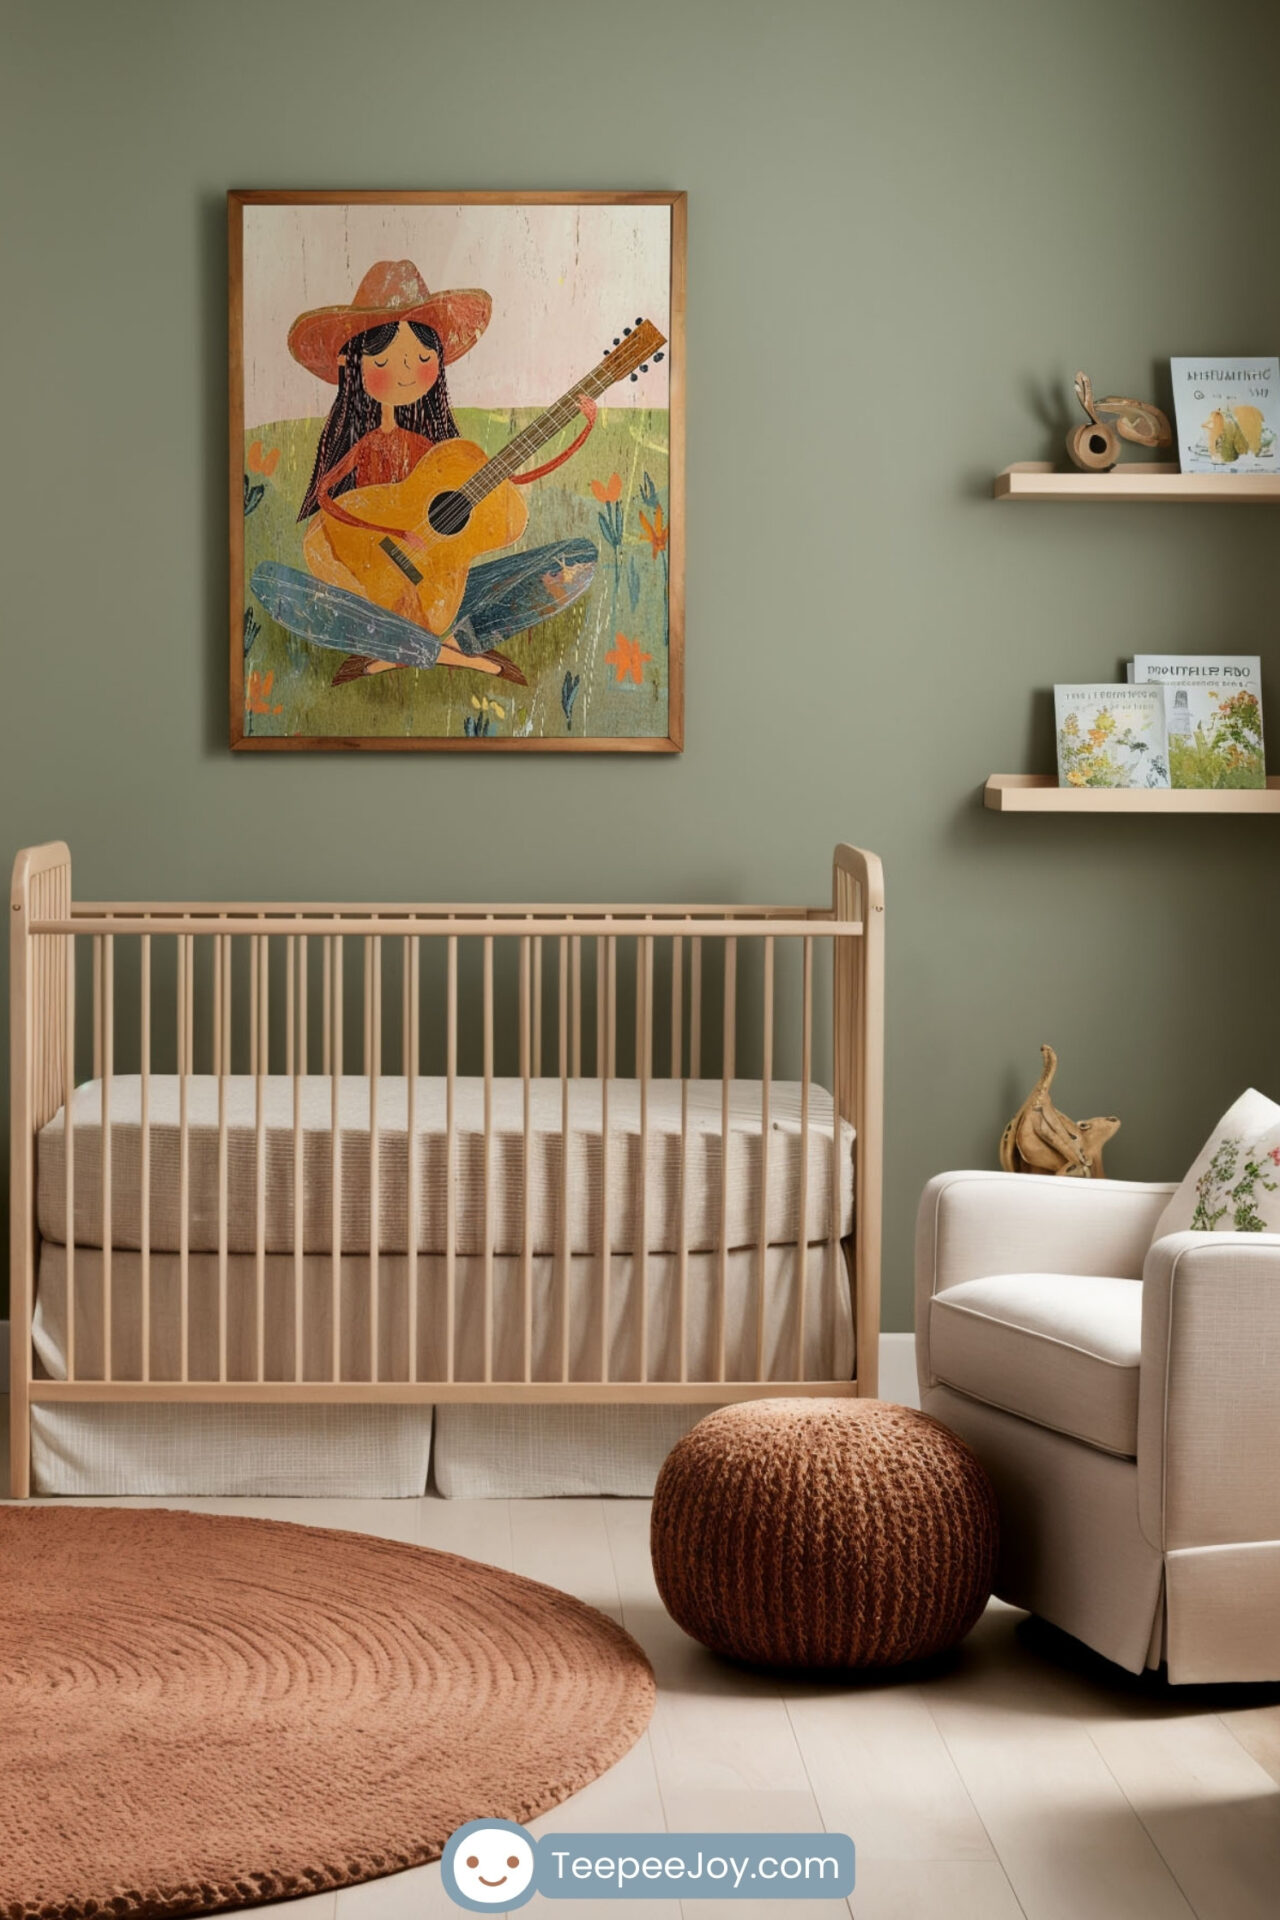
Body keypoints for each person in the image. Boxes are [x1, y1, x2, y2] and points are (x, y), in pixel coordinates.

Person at [258, 260, 598, 687]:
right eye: (384, 360)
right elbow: (325, 517)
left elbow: (503, 501)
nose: (405, 372)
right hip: (371, 597)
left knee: (578, 558)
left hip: (443, 591)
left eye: (421, 357)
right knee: (269, 581)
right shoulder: (359, 446)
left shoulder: (443, 459)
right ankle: (451, 653)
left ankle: (407, 648)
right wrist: (387, 549)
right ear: (354, 364)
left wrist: (578, 428)